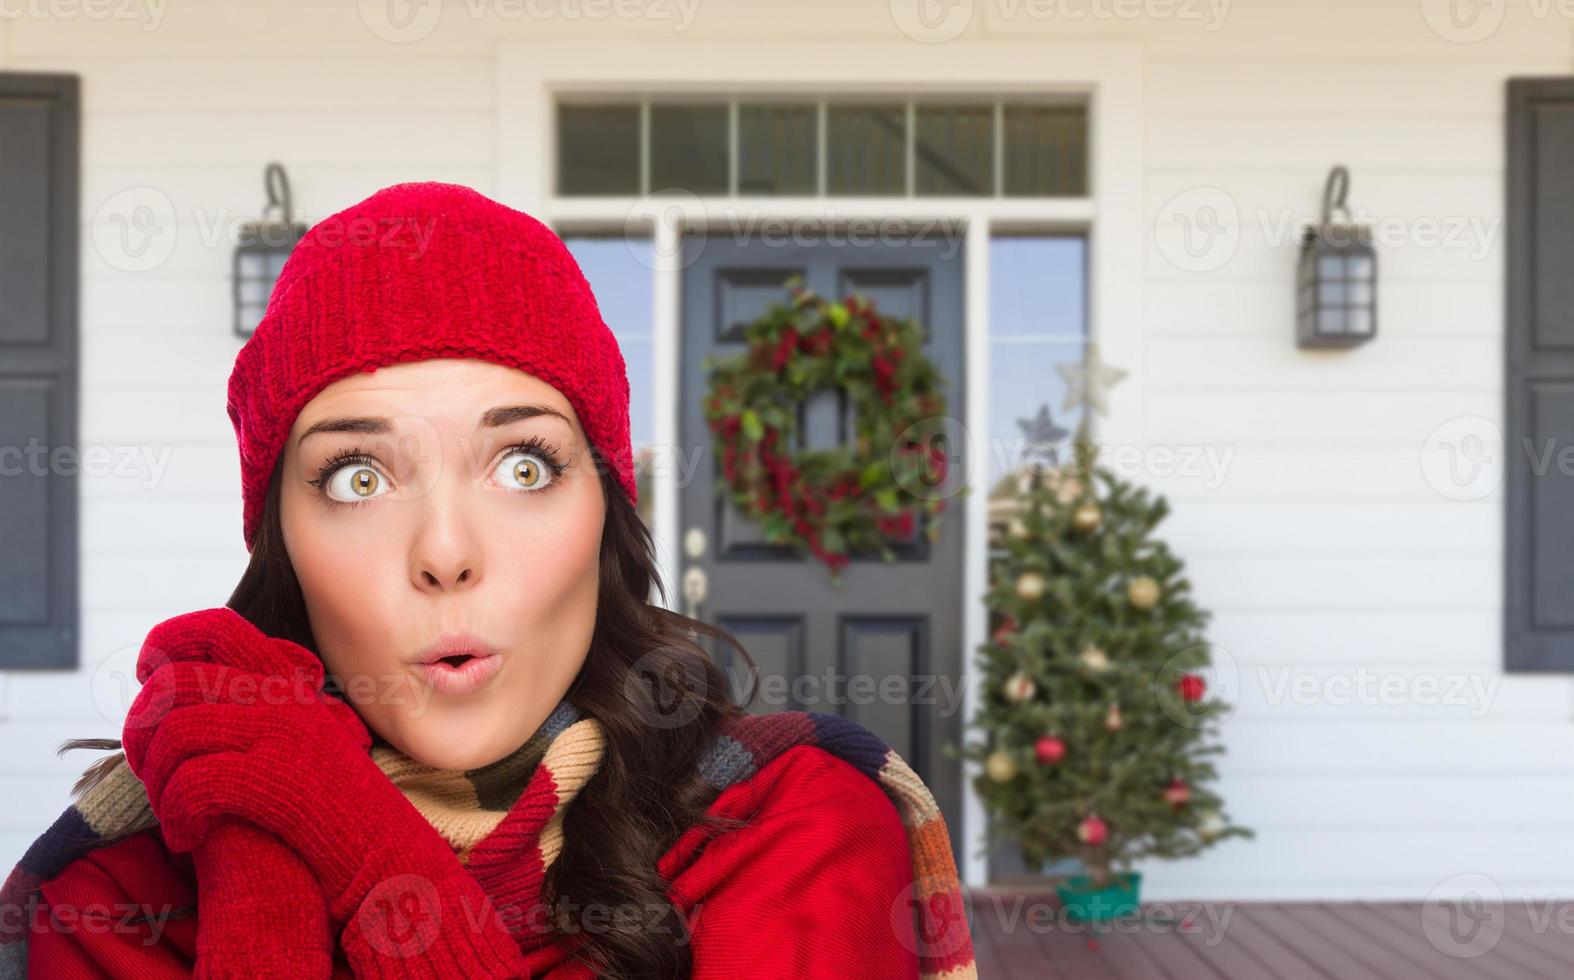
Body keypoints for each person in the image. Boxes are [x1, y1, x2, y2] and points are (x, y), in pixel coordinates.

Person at [0, 182, 977, 979]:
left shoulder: (786, 825)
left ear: (604, 514)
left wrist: (361, 848)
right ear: (281, 540)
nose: (445, 550)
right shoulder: (114, 897)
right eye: (358, 475)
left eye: (523, 465)